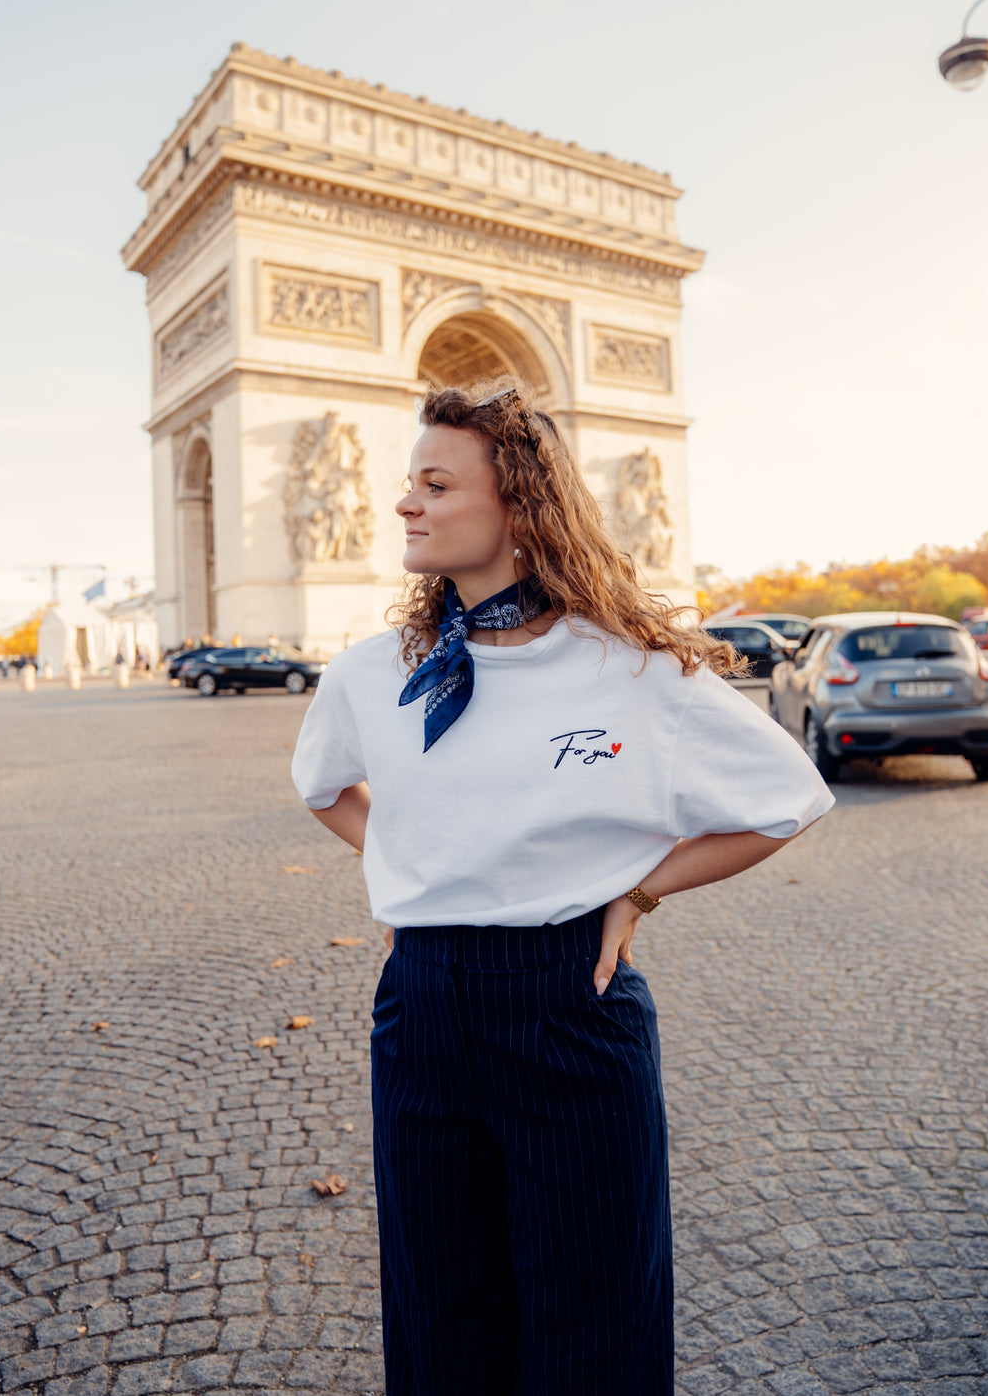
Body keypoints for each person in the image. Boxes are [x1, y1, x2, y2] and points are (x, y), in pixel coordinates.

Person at [291, 377, 833, 1396]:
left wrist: (638, 893)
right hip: (421, 1008)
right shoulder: (368, 674)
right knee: (439, 1316)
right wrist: (419, 865)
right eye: (409, 481)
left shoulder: (627, 669)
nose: (403, 503)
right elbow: (323, 789)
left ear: (520, 505)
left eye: (435, 483)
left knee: (595, 1321)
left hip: (569, 1002)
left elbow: (785, 796)